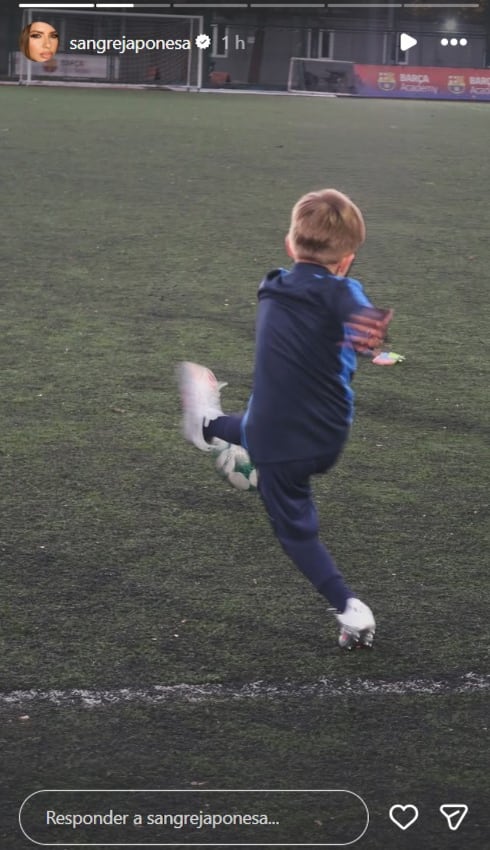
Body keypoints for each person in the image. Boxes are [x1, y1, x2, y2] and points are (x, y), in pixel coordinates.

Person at [178, 188, 393, 650]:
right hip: (329, 434)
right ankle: (209, 426)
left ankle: (351, 610)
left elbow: (310, 292)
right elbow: (362, 321)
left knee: (295, 530)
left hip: (276, 440)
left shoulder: (271, 285)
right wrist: (368, 331)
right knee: (266, 414)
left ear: (289, 245)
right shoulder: (346, 292)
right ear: (348, 259)